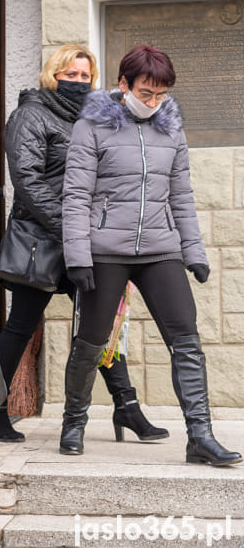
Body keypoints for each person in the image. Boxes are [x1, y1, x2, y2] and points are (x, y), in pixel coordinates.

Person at [61, 44, 241, 466]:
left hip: (161, 248)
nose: (153, 102)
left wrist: (193, 251)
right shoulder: (92, 126)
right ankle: (74, 421)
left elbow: (181, 195)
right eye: (145, 93)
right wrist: (78, 256)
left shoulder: (170, 128)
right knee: (91, 341)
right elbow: (76, 195)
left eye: (160, 94)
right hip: (106, 250)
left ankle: (200, 436)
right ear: (123, 85)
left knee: (187, 340)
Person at [0, 44, 167, 444]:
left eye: (85, 76)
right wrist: (69, 228)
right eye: (69, 75)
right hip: (41, 237)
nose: (78, 82)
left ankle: (127, 409)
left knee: (99, 328)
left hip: (87, 242)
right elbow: (28, 180)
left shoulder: (98, 119)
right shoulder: (29, 115)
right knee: (20, 327)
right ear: (52, 75)